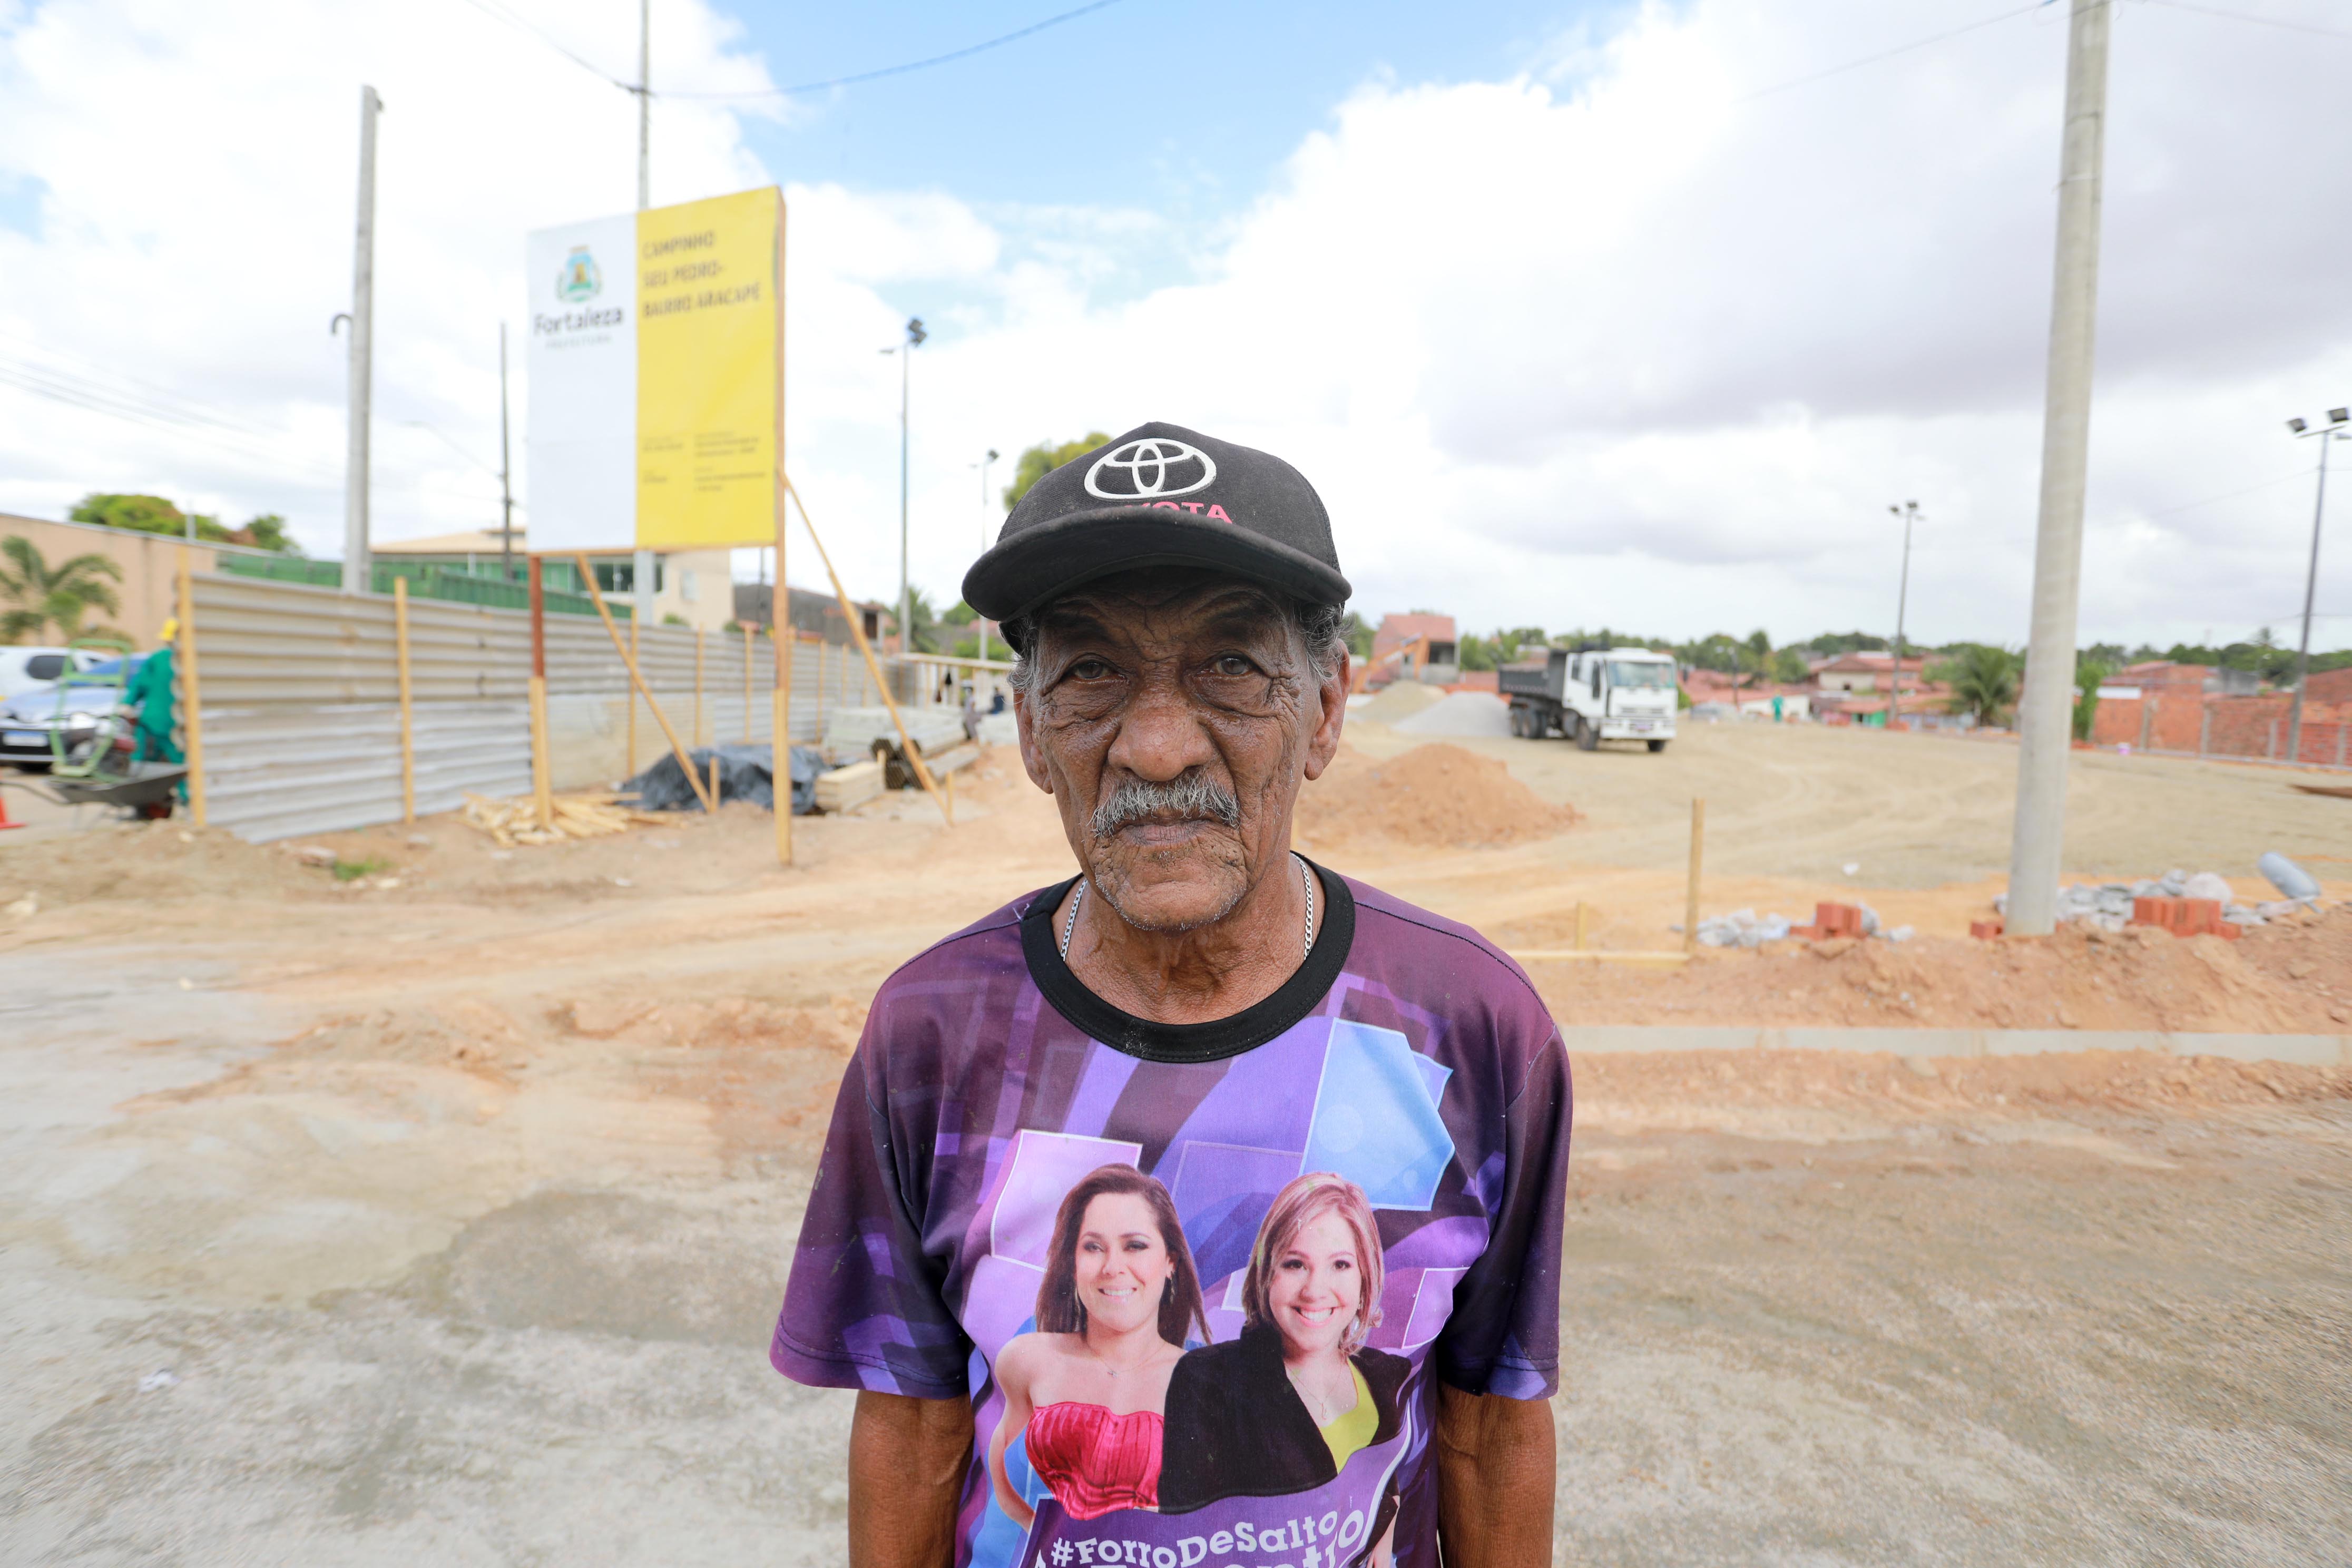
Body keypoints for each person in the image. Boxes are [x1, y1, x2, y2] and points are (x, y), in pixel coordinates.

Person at [773, 423, 1571, 1568]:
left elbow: (1494, 1428)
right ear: (1036, 730)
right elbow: (912, 1427)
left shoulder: (1473, 1027)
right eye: (1093, 671)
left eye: (1232, 669)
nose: (1154, 746)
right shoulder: (932, 1034)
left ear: (1327, 714)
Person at [1161, 1173, 1409, 1561]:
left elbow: (1384, 1485)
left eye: (1340, 1265)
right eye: (1295, 1264)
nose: (1315, 1290)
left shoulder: (1386, 1377)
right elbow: (1184, 1541)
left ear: (1365, 1276)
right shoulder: (1208, 1381)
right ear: (1266, 1274)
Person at [986, 1165, 1208, 1526]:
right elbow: (1002, 1487)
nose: (1112, 1266)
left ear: (1171, 1262)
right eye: (1093, 1247)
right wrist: (1045, 1545)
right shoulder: (1027, 1359)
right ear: (1072, 1263)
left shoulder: (1207, 1385)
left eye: (1134, 1246)